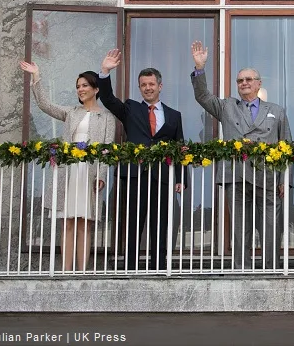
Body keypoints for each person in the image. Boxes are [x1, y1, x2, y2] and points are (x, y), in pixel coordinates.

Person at [190, 41, 292, 270]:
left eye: (248, 80)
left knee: (270, 227)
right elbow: (203, 97)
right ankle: (241, 271)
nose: (243, 83)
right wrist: (199, 68)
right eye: (240, 80)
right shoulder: (227, 106)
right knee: (239, 227)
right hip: (235, 175)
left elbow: (287, 145)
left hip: (267, 176)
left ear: (258, 84)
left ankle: (271, 270)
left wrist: (286, 179)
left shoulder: (276, 110)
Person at [20, 61, 115, 272]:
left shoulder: (107, 117)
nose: (80, 89)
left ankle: (82, 271)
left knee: (85, 223)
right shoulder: (71, 112)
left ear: (96, 89)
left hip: (89, 174)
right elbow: (45, 105)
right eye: (78, 86)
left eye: (84, 86)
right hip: (69, 171)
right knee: (67, 221)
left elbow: (107, 150)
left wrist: (101, 176)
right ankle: (65, 270)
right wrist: (37, 76)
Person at [96, 49, 187, 271]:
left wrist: (181, 178)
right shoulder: (130, 109)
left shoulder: (174, 115)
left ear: (160, 86)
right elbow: (108, 99)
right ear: (140, 88)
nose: (147, 88)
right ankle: (130, 269)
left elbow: (180, 148)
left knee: (161, 225)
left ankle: (158, 269)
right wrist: (105, 72)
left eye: (151, 84)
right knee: (132, 225)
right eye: (143, 85)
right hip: (134, 176)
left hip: (163, 178)